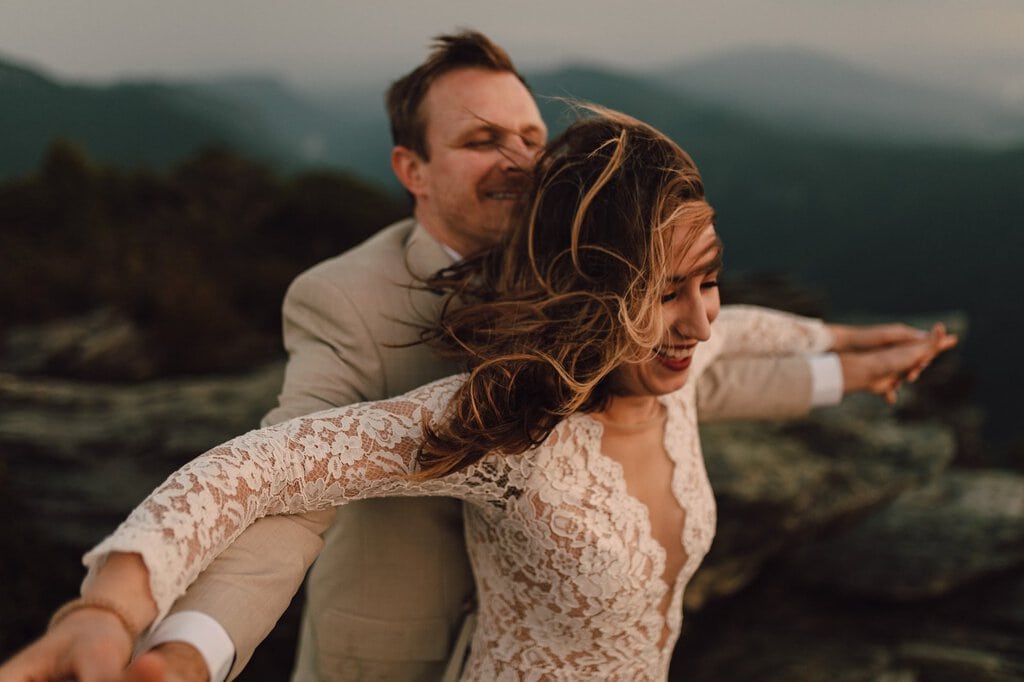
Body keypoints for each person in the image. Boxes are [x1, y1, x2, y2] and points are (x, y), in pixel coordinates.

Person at [0, 108, 955, 681]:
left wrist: (846, 351)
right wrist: (111, 610)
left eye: (707, 278)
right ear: (587, 292)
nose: (699, 321)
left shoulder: (674, 371)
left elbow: (742, 334)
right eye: (661, 293)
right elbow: (261, 469)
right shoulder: (504, 427)